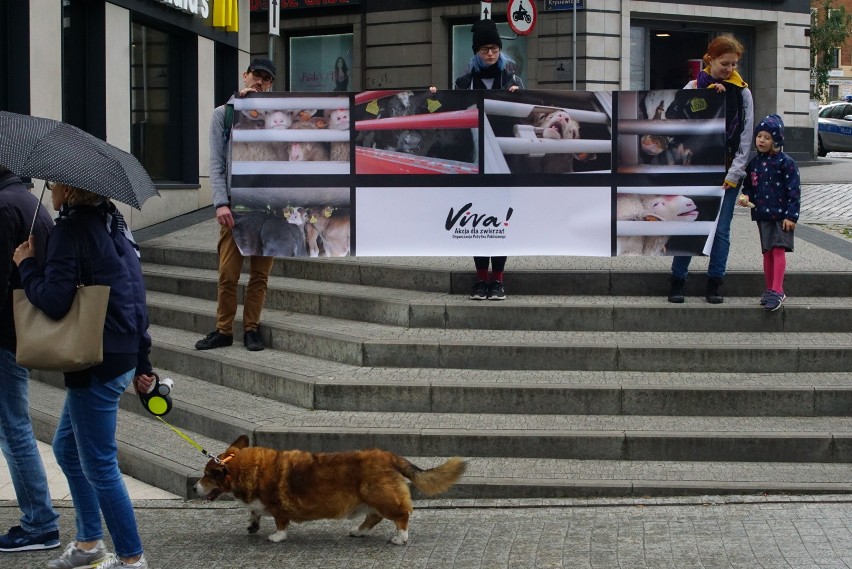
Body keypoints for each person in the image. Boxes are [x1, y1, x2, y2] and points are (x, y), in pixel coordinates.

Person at [13, 182, 155, 569]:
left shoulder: (70, 231)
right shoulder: (115, 225)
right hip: (122, 351)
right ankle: (89, 544)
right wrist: (143, 363)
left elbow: (55, 302)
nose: (50, 190)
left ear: (69, 189)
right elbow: (136, 295)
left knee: (99, 464)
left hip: (95, 358)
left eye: (54, 184)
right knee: (67, 449)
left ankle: (132, 559)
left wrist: (26, 264)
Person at [195, 57, 277, 352]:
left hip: (267, 208)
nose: (259, 81)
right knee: (228, 274)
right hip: (234, 206)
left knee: (260, 275)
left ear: (271, 85)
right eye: (256, 75)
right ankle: (223, 329)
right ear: (245, 75)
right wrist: (220, 203)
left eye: (266, 79)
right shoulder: (224, 114)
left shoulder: (278, 115)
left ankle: (252, 328)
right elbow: (216, 163)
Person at [0, 167, 61, 553]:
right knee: (14, 426)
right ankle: (39, 519)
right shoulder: (26, 202)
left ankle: (40, 522)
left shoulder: (5, 206)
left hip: (6, 332)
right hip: (19, 330)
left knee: (14, 429)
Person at [667, 35, 754, 304]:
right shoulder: (693, 86)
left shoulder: (742, 92)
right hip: (695, 168)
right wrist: (705, 98)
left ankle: (715, 282)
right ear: (710, 59)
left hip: (727, 172)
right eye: (725, 64)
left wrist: (735, 173)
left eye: (734, 64)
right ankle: (678, 280)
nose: (730, 70)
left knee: (721, 229)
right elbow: (677, 121)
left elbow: (745, 136)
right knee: (687, 221)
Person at [455, 19, 523, 301]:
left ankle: (498, 280)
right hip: (473, 161)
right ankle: (481, 279)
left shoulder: (512, 81)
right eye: (484, 49)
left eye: (494, 48)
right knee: (475, 221)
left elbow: (519, 114)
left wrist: (518, 98)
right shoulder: (462, 83)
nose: (490, 54)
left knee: (500, 220)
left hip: (502, 160)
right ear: (476, 52)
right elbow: (455, 114)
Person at [738, 114, 800, 312]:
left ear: (776, 140)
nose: (761, 140)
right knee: (767, 252)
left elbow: (794, 191)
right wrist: (745, 197)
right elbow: (748, 186)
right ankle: (769, 288)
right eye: (759, 136)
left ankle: (778, 290)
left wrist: (792, 215)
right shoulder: (754, 164)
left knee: (778, 250)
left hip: (781, 217)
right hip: (763, 215)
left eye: (766, 137)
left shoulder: (786, 163)